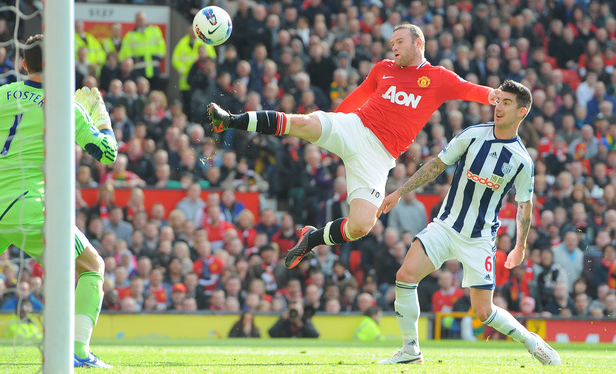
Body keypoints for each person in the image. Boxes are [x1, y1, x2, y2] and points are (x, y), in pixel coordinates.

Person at [208, 24, 500, 269]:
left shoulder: (438, 78)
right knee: (307, 124)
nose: (394, 47)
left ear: (418, 43)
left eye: (400, 42)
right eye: (391, 43)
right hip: (356, 127)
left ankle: (312, 238)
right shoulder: (383, 69)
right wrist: (330, 127)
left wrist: (498, 97)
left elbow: (471, 90)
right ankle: (229, 119)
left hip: (379, 156)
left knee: (362, 225)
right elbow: (356, 99)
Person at [0, 35, 117, 368]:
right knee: (92, 267)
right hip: (31, 207)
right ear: (59, 63)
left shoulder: (1, 95)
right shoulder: (65, 106)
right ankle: (78, 352)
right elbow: (108, 153)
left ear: (24, 64)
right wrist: (99, 115)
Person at [374, 80, 560, 366]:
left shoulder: (522, 160)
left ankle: (532, 342)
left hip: (480, 238)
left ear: (521, 112)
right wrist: (400, 191)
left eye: (507, 103)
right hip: (445, 226)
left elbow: (525, 204)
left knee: (483, 312)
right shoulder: (473, 134)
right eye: (499, 100)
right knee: (405, 276)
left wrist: (520, 246)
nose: (499, 106)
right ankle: (411, 350)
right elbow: (437, 164)